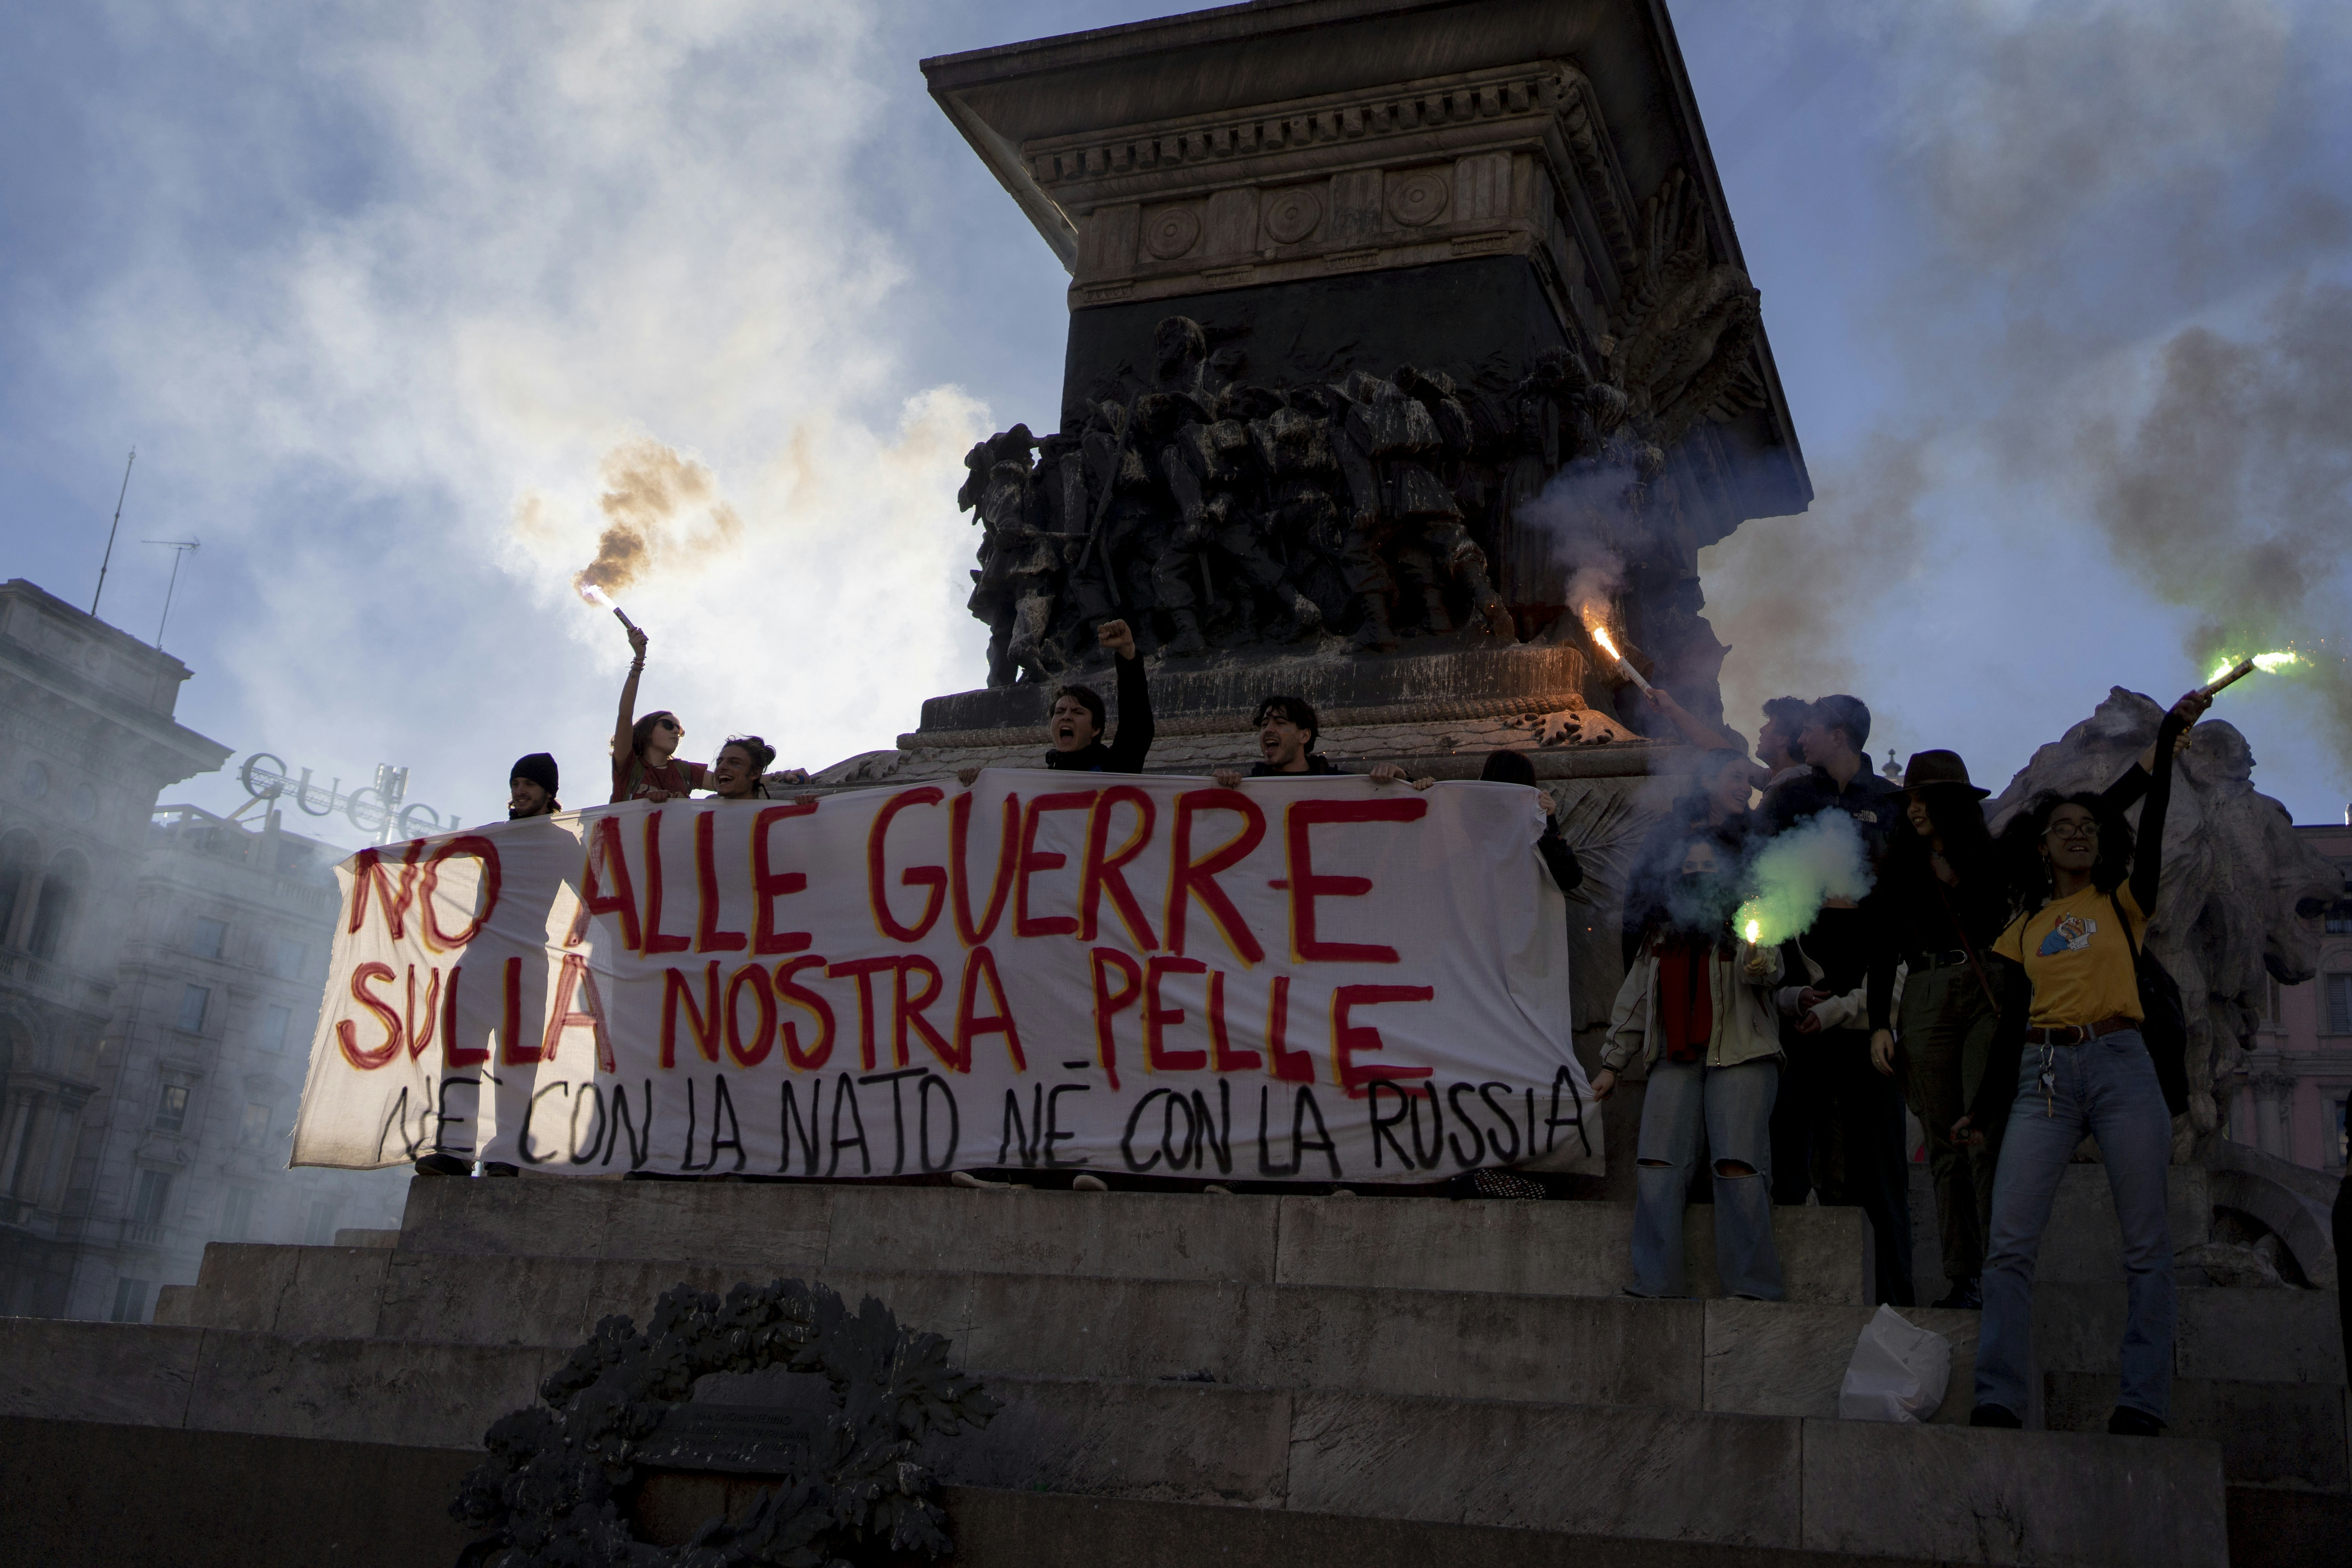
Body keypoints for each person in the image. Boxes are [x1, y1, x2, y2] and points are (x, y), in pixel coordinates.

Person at [1956, 688, 2210, 1435]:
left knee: (2145, 1245)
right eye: (2062, 827)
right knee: (2009, 1244)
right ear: (2043, 846)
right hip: (2042, 1077)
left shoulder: (2124, 904)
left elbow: (2150, 824)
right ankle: (1998, 1396)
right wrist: (1984, 1106)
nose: (2075, 835)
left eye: (2087, 828)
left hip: (2122, 1067)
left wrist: (2166, 742)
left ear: (2101, 844)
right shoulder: (2028, 926)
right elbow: (2012, 1026)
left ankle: (2141, 1402)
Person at [1592, 836, 1786, 1299]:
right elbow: (1634, 1000)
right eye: (1689, 864)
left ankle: (1753, 1288)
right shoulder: (1660, 935)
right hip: (1675, 1058)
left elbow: (1768, 970)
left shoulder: (1750, 918)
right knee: (1657, 1164)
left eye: (1708, 864)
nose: (1697, 872)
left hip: (1742, 1054)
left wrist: (1757, 957)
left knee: (1739, 1165)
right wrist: (1612, 1064)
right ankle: (1655, 1282)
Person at [1866, 751, 2008, 1309]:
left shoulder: (1988, 859)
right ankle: (1963, 1277)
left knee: (1984, 1135)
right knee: (1944, 1142)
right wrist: (1880, 1024)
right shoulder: (1898, 865)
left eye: (1924, 800)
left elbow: (1998, 923)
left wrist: (1957, 881)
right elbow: (1881, 951)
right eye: (1910, 801)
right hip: (1923, 993)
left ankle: (2003, 1269)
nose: (1915, 810)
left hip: (1982, 986)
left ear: (1950, 805)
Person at [1622, 748, 1754, 965]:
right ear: (1708, 781)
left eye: (1749, 780)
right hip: (1673, 959)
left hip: (1733, 966)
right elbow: (1638, 902)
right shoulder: (1667, 834)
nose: (1747, 789)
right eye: (1737, 777)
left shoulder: (1751, 839)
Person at [1210, 695, 1416, 788]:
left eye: (1280, 723)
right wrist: (1214, 788)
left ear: (1304, 736)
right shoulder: (1246, 787)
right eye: (1265, 725)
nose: (1269, 730)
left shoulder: (1341, 785)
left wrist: (1402, 778)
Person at [609, 626, 709, 803]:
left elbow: (733, 783)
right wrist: (639, 660)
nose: (676, 733)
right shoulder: (629, 765)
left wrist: (774, 778)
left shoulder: (683, 771)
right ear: (648, 731)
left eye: (679, 731)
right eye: (669, 725)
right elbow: (625, 716)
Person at [1476, 749, 1582, 895]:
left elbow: (1570, 879)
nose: (1478, 780)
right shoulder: (1470, 819)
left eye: (1484, 776)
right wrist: (1434, 802)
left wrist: (1548, 822)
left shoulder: (1535, 826)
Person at [706, 736, 809, 800]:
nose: (722, 767)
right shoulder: (704, 811)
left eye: (734, 763)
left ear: (754, 774)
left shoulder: (772, 815)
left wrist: (810, 810)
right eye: (719, 763)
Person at [508, 753, 561, 819]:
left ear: (549, 792)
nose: (519, 792)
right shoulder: (496, 829)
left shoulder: (559, 830)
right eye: (515, 784)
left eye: (529, 784)